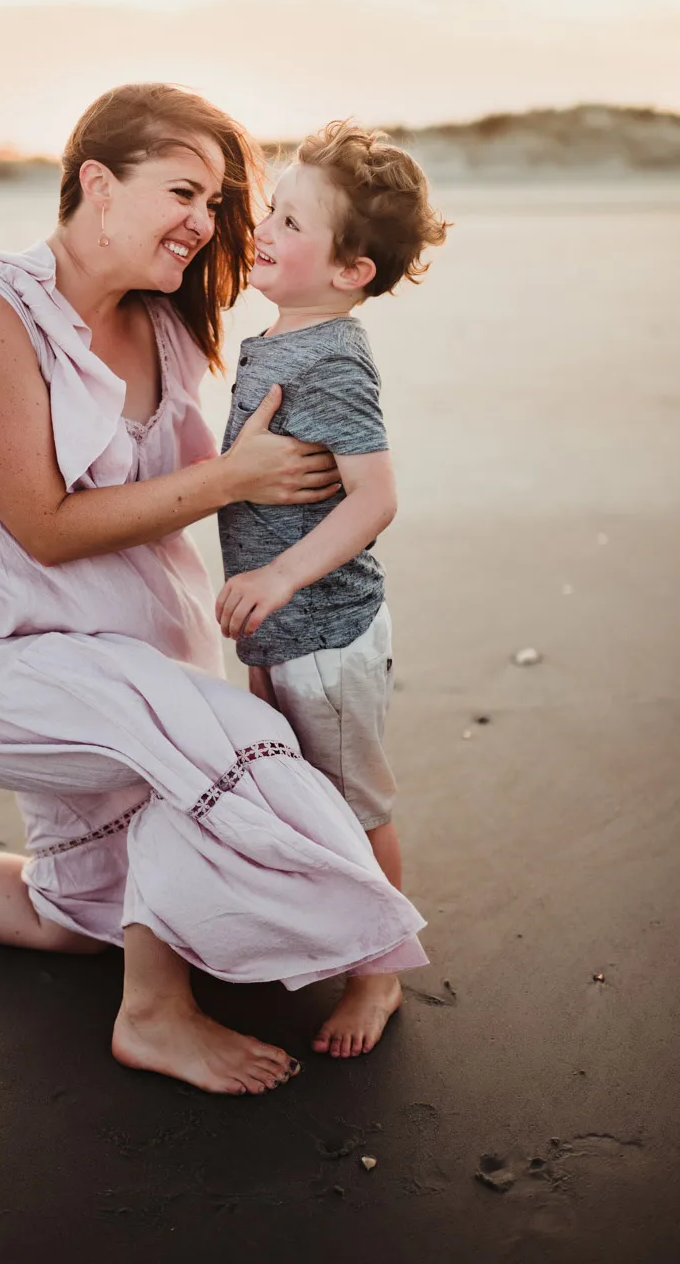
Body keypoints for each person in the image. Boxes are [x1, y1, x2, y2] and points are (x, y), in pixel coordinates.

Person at [0, 86, 427, 1096]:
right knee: (228, 749)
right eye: (182, 191)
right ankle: (156, 1013)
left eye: (217, 198)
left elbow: (309, 322)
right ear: (96, 184)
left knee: (78, 920)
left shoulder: (165, 317)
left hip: (131, 660)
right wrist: (235, 478)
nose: (205, 220)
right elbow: (44, 528)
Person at [216, 121, 447, 1058]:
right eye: (271, 209)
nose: (264, 228)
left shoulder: (333, 356)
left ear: (351, 270)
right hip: (278, 632)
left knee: (355, 803)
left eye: (292, 222)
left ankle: (380, 969)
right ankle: (318, 929)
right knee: (295, 788)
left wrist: (277, 573)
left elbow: (375, 497)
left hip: (324, 631)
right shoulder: (271, 337)